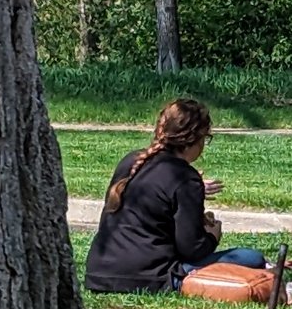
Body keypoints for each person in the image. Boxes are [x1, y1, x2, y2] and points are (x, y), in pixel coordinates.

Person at [84, 98, 270, 294]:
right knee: (250, 257)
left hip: (99, 273)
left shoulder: (131, 161)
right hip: (150, 276)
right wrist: (212, 235)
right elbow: (192, 249)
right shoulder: (185, 178)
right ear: (196, 138)